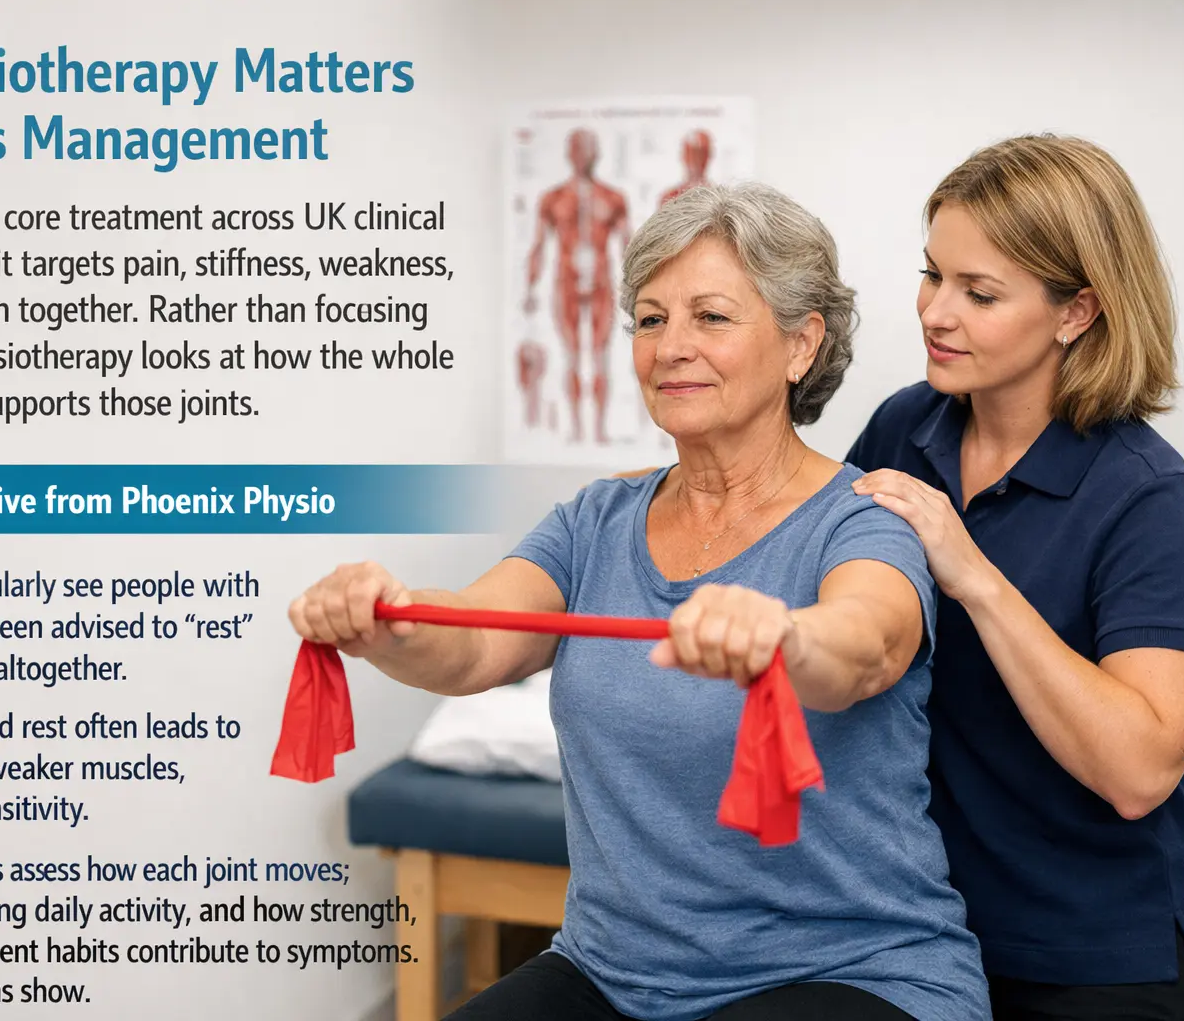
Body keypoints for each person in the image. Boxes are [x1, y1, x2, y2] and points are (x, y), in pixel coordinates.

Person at [291, 182, 991, 1021]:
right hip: (612, 973)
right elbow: (475, 643)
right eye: (651, 320)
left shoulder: (863, 520)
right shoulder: (597, 520)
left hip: (848, 970)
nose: (671, 347)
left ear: (802, 344)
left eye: (712, 317)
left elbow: (866, 643)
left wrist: (785, 636)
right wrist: (386, 618)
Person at [846, 134, 1184, 1018]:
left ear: (1077, 312)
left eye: (979, 293)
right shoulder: (906, 430)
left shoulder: (1149, 494)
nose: (936, 312)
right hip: (944, 930)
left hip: (1114, 951)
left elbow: (1140, 770)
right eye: (932, 273)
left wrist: (973, 574)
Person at [523, 128, 630, 444]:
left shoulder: (613, 199)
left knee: (599, 355)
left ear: (596, 153)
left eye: (588, 148)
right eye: (577, 148)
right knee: (571, 353)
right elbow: (539, 246)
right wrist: (530, 287)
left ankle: (598, 429)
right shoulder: (553, 199)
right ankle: (576, 429)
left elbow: (629, 246)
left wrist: (640, 286)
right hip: (566, 283)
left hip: (600, 282)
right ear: (569, 153)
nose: (583, 154)